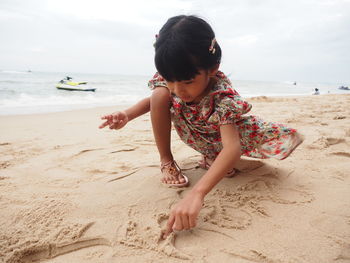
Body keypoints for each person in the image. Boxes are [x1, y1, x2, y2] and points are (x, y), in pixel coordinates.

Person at [99, 15, 303, 239]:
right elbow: (156, 101)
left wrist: (197, 193)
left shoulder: (223, 97)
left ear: (213, 68)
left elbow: (232, 147)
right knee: (159, 94)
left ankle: (212, 159)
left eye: (187, 82)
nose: (178, 89)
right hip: (195, 132)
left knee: (230, 166)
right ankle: (167, 162)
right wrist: (127, 114)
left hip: (222, 139)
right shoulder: (174, 81)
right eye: (170, 79)